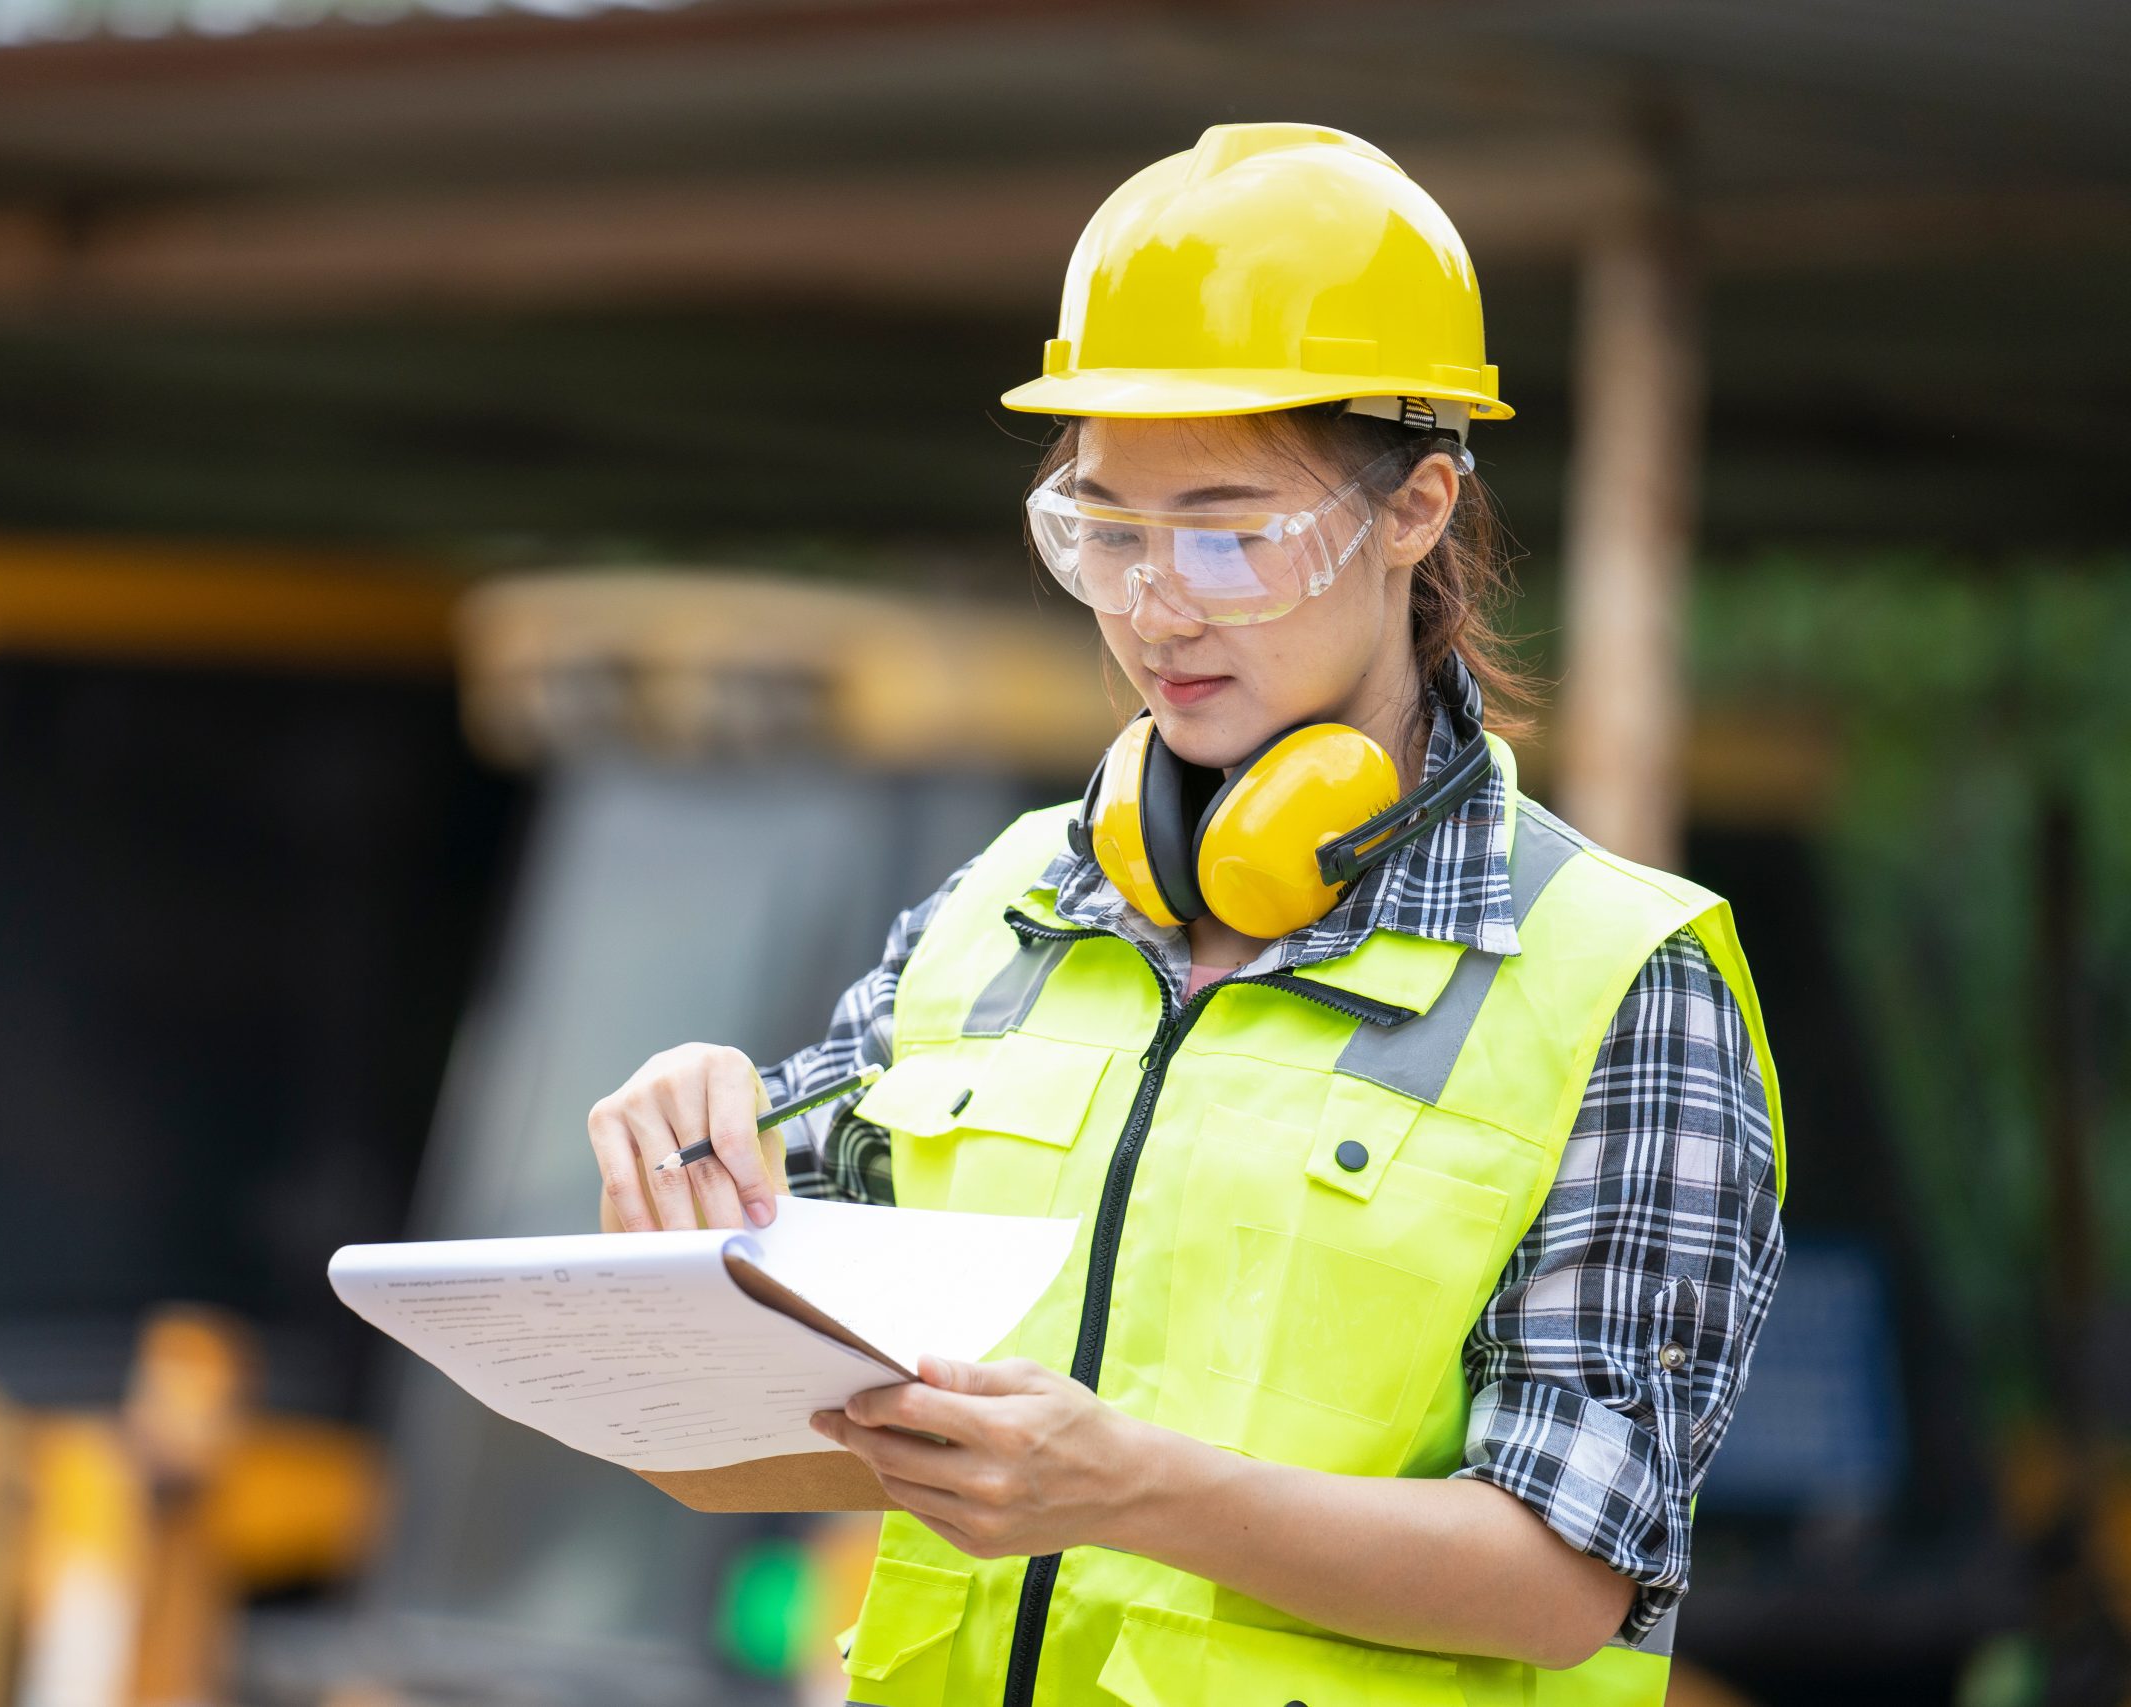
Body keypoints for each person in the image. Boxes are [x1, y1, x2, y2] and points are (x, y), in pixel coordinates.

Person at [586, 122, 1784, 1707]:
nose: (1157, 607)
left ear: (1416, 508)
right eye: (1109, 534)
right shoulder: (998, 910)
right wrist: (683, 1178)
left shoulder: (1618, 978)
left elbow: (1571, 1573)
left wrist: (1129, 1491)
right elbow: (733, 1439)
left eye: (1227, 533)